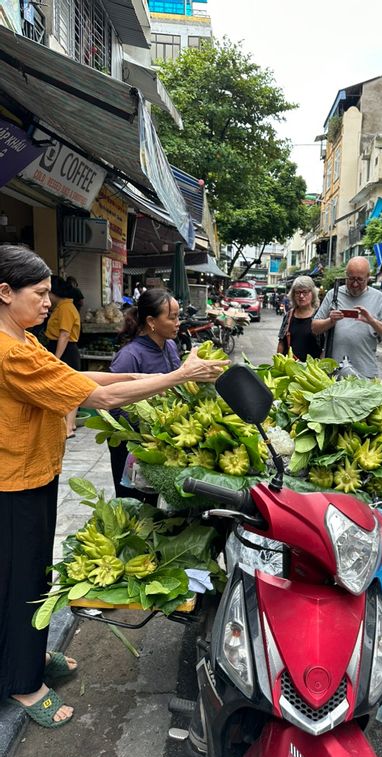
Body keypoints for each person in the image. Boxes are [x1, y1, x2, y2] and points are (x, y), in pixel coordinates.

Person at [0, 244, 227, 729]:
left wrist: (172, 374)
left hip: (34, 472)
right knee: (18, 580)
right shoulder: (9, 352)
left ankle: (29, 657)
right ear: (4, 292)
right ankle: (22, 684)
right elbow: (99, 396)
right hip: (12, 484)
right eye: (39, 294)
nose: (49, 303)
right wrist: (179, 376)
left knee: (33, 575)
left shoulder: (23, 336)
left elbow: (78, 377)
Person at [108, 289, 182, 501]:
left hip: (162, 442)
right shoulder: (129, 356)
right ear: (151, 321)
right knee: (136, 501)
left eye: (178, 316)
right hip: (134, 445)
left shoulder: (169, 345)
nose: (178, 322)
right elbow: (114, 406)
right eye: (172, 317)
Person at [312, 256, 382, 378]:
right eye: (351, 279)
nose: (355, 284)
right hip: (334, 373)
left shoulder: (378, 297)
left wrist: (371, 321)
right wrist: (330, 321)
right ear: (346, 275)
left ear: (368, 276)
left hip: (366, 373)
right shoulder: (333, 295)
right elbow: (314, 327)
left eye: (360, 280)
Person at [46, 275, 82, 437]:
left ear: (54, 292)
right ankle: (69, 424)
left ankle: (68, 427)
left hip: (65, 350)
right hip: (60, 348)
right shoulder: (61, 307)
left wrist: (56, 358)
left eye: (47, 293)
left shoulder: (66, 308)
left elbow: (64, 335)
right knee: (65, 387)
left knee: (70, 387)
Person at [276, 276, 323, 361]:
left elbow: (324, 347)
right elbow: (281, 342)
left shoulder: (319, 316)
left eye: (305, 292)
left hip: (311, 370)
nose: (301, 296)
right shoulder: (289, 316)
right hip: (289, 368)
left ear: (312, 293)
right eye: (297, 292)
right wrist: (278, 363)